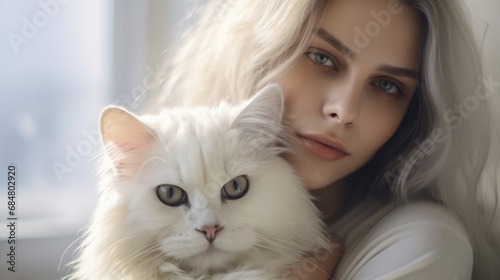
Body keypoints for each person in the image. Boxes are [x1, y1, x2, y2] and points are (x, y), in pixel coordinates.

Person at [149, 0, 500, 279]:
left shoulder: (421, 243)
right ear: (259, 53)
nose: (344, 110)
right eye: (321, 58)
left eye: (387, 85)